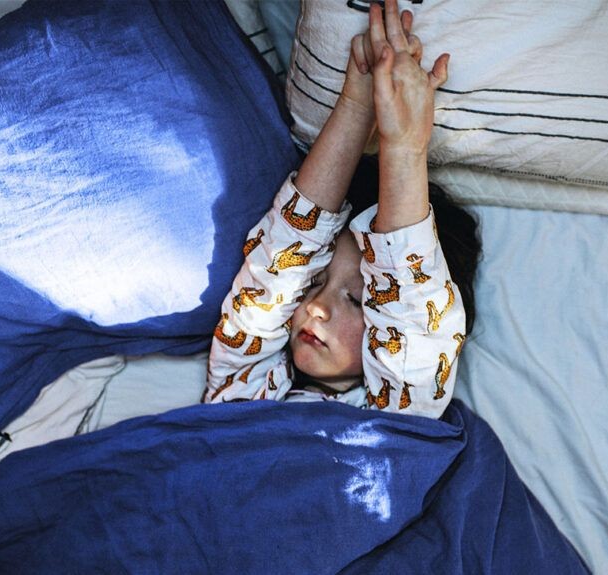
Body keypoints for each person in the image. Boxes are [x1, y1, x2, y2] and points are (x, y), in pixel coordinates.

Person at [204, 0, 481, 419]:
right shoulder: (246, 386)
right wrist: (355, 104)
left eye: (356, 298)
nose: (316, 306)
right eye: (312, 282)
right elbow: (275, 266)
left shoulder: (395, 418)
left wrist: (405, 147)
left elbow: (414, 325)